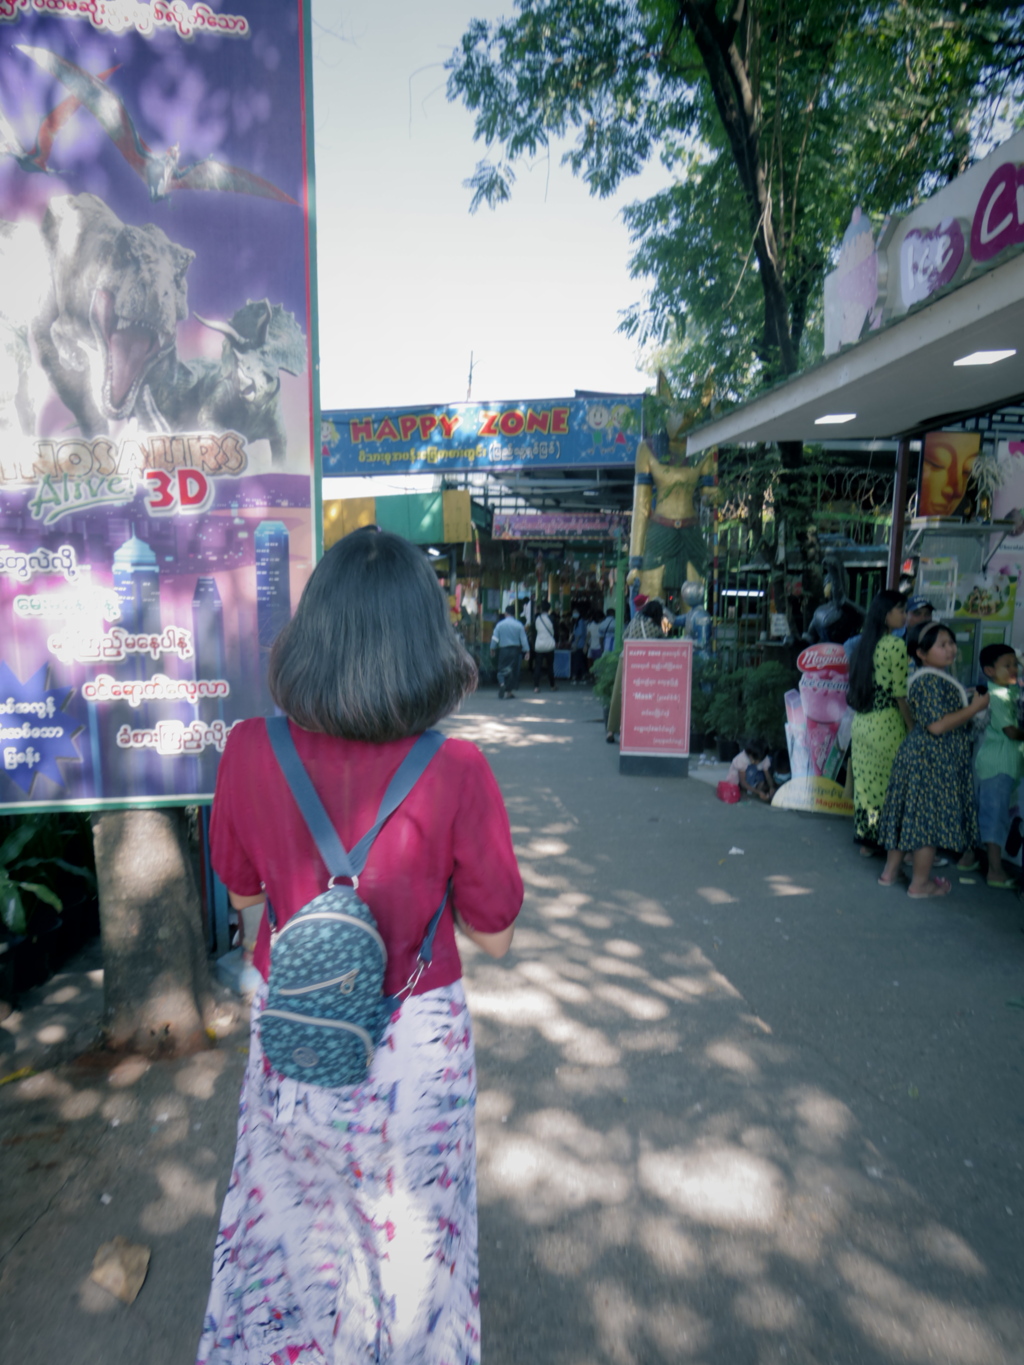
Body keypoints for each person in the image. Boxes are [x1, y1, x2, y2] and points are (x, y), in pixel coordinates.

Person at [196, 527, 523, 1365]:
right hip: (416, 1042)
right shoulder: (458, 771)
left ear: (312, 632)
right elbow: (496, 935)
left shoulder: (247, 750)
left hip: (298, 1033)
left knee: (299, 1233)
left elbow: (243, 897)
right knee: (416, 1251)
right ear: (427, 639)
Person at [877, 620, 988, 898]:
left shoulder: (931, 678)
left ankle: (890, 872)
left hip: (919, 756)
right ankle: (921, 883)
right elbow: (936, 726)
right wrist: (975, 707)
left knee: (907, 816)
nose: (950, 649)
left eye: (951, 643)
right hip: (932, 760)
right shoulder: (929, 681)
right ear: (921, 653)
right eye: (942, 645)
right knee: (926, 821)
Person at [848, 590, 911, 851]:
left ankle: (868, 838)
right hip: (887, 726)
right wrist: (912, 727)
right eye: (901, 610)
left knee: (868, 790)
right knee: (890, 789)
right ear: (886, 614)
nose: (905, 616)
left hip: (862, 724)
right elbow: (899, 694)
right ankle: (893, 846)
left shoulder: (862, 645)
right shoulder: (895, 645)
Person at [971, 643, 1024, 888]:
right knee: (995, 817)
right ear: (990, 670)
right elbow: (1012, 732)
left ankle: (968, 857)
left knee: (992, 813)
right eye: (1007, 665)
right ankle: (995, 871)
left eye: (1015, 664)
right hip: (997, 765)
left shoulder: (1009, 691)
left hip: (1003, 764)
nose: (1014, 669)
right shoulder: (999, 696)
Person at [605, 598, 664, 743]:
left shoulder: (634, 622)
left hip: (625, 659)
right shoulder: (656, 628)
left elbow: (625, 637)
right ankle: (638, 730)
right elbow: (662, 642)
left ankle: (611, 731)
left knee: (618, 695)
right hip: (644, 665)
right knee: (642, 697)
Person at [490, 604, 530, 699]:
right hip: (516, 650)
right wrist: (527, 651)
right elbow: (523, 639)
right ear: (514, 614)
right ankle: (509, 692)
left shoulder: (500, 625)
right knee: (513, 671)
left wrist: (492, 648)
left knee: (502, 669)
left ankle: (502, 683)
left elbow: (495, 638)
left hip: (504, 650)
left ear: (506, 613)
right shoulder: (519, 625)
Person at [532, 597, 558, 693]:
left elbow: (534, 632)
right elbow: (556, 632)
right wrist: (557, 641)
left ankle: (536, 687)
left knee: (538, 666)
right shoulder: (552, 619)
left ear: (541, 609)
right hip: (550, 645)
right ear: (549, 609)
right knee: (550, 666)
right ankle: (552, 685)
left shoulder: (536, 619)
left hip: (539, 645)